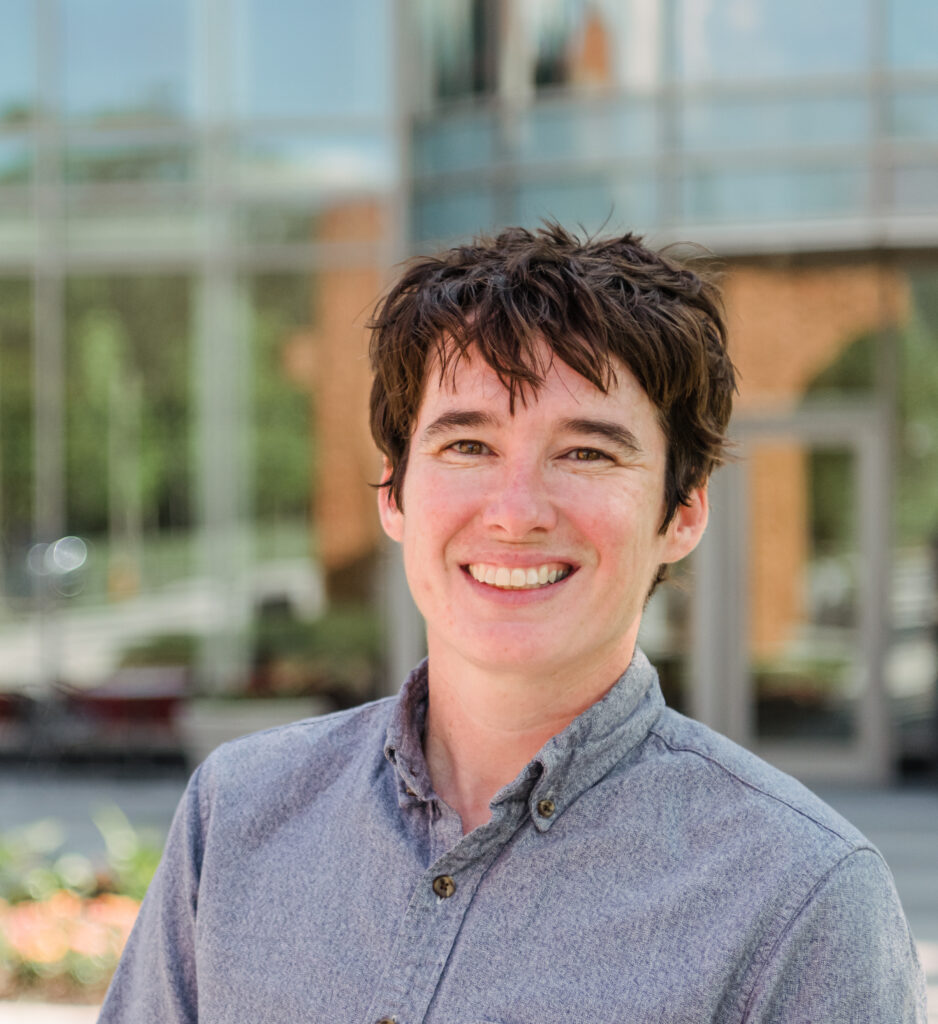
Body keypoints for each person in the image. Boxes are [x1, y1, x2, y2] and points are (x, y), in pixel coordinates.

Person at [99, 224, 927, 1023]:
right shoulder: (238, 812)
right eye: (467, 446)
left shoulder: (802, 898)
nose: (517, 513)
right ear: (393, 492)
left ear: (681, 513)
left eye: (587, 453)